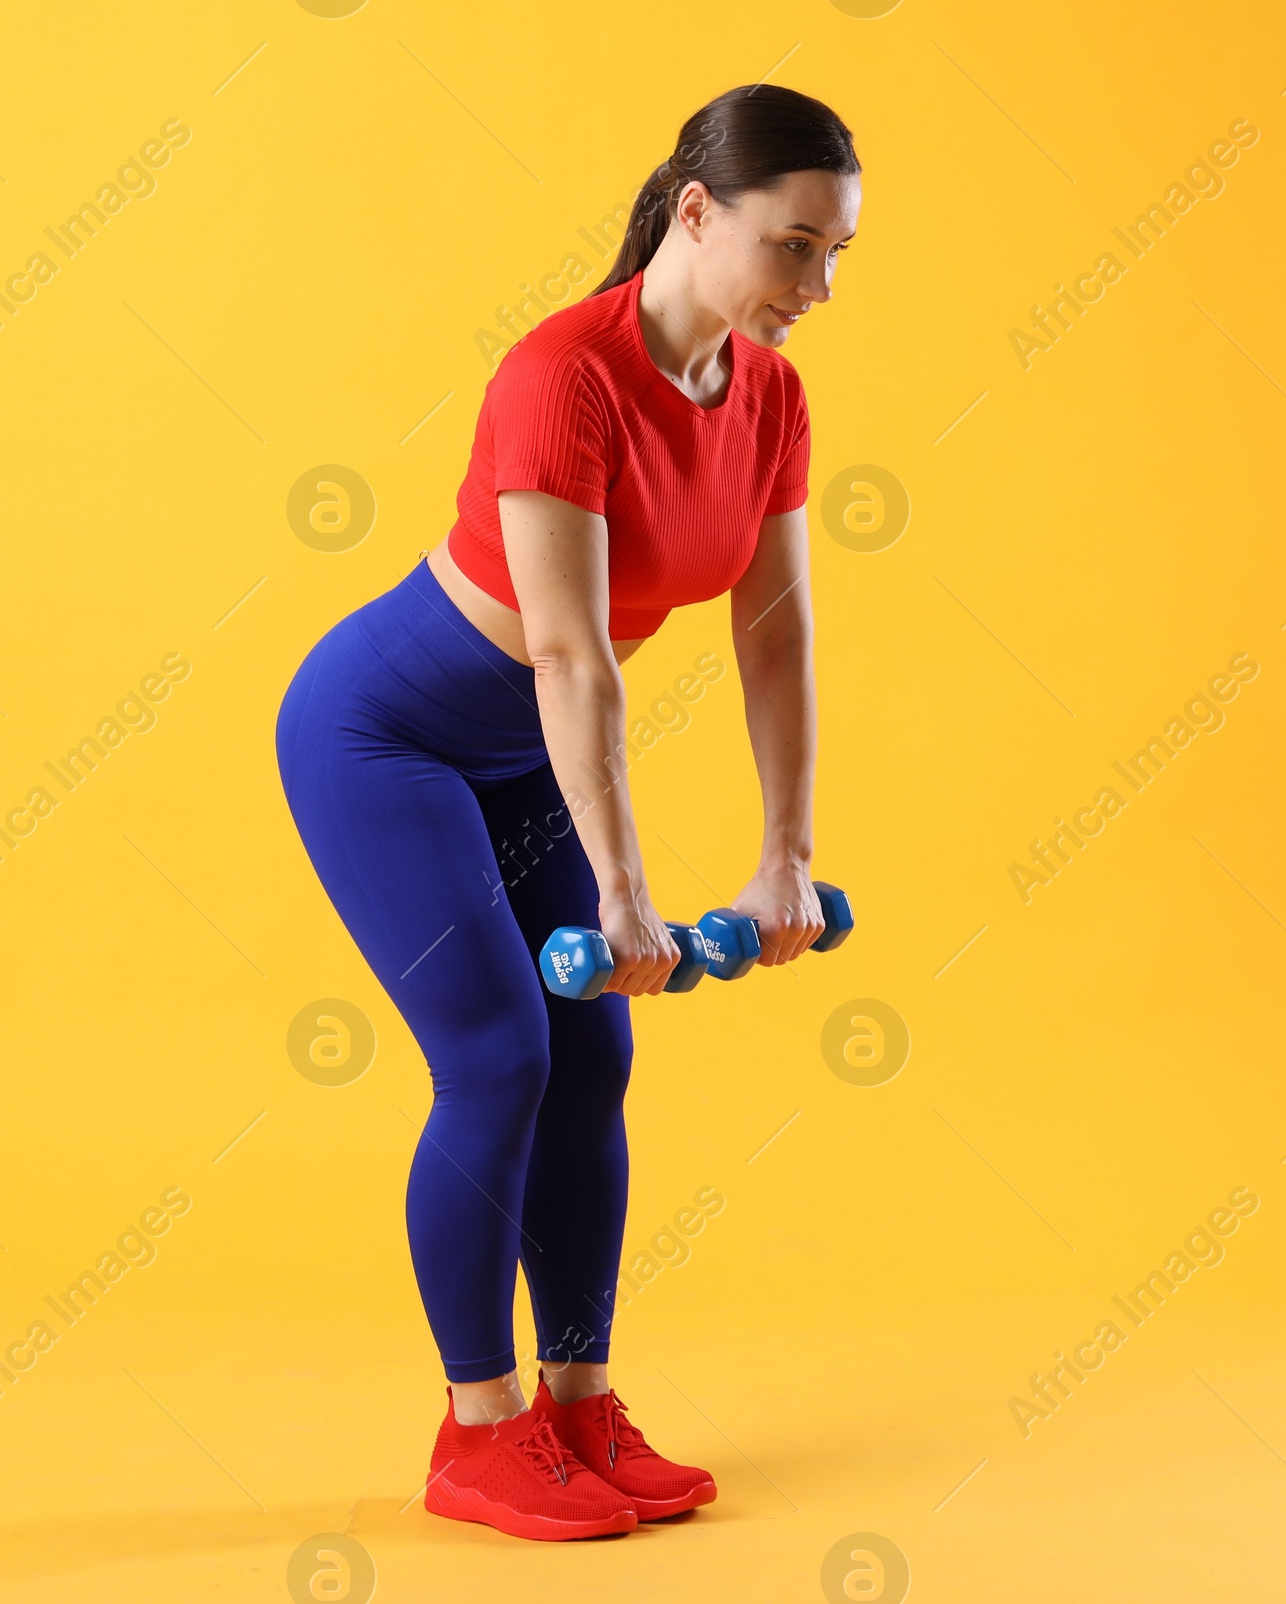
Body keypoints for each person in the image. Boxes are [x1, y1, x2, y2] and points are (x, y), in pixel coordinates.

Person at [275, 82, 860, 1542]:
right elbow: (573, 653)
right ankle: (477, 1435)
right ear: (697, 212)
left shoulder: (772, 396)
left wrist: (785, 852)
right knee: (497, 1055)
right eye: (796, 247)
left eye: (840, 253)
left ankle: (579, 1409)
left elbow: (773, 633)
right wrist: (622, 891)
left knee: (591, 1050)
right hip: (388, 736)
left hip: (525, 751)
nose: (821, 286)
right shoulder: (562, 376)